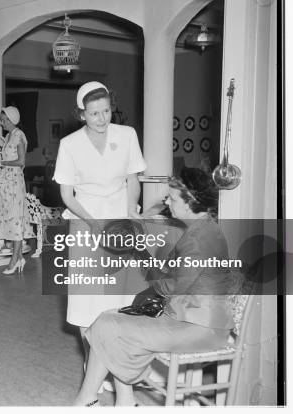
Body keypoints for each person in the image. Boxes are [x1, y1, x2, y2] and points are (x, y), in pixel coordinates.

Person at [74, 168, 235, 406]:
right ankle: (108, 400)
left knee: (108, 324)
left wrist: (142, 256)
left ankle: (88, 400)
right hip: (190, 318)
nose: (166, 201)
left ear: (190, 203)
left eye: (172, 198)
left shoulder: (200, 238)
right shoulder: (203, 228)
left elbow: (169, 288)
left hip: (199, 328)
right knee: (109, 321)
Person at [53, 82, 146, 389]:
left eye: (106, 110)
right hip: (85, 221)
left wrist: (132, 206)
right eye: (94, 113)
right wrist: (92, 223)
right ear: (82, 114)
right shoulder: (70, 144)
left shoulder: (127, 135)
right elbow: (67, 195)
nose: (102, 118)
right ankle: (93, 363)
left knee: (119, 300)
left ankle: (114, 364)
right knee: (87, 303)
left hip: (119, 221)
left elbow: (133, 179)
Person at [0, 106, 33, 275]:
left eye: (4, 120)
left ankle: (15, 259)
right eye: (1, 119)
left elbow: (21, 161)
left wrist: (2, 163)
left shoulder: (19, 135)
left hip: (15, 183)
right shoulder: (8, 136)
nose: (2, 122)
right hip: (6, 182)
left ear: (12, 120)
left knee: (16, 220)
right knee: (10, 218)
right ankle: (19, 257)